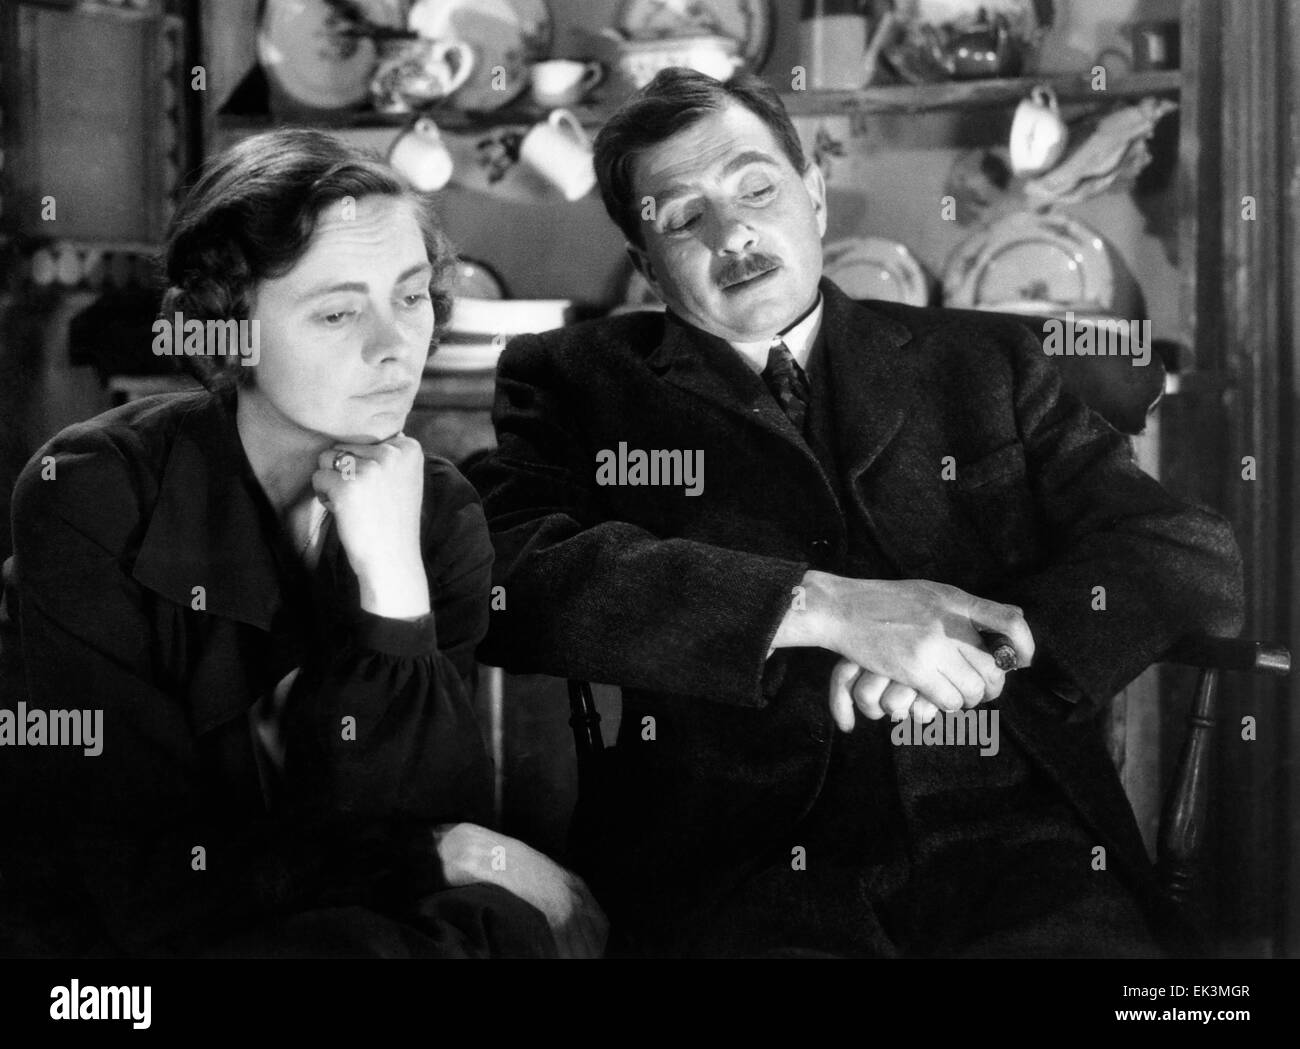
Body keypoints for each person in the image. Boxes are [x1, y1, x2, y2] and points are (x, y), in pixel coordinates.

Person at [466, 70, 1244, 958]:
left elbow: (1185, 550)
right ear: (646, 266)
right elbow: (504, 573)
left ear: (816, 194)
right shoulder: (576, 382)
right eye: (682, 217)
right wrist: (822, 606)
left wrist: (982, 644)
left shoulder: (988, 362)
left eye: (757, 187)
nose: (734, 233)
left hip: (1017, 851)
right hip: (734, 872)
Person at [0, 129, 605, 959]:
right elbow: (138, 877)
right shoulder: (91, 494)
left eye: (413, 295)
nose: (395, 345)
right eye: (337, 311)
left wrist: (392, 580)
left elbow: (417, 811)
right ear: (227, 332)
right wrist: (437, 853)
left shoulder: (438, 515)